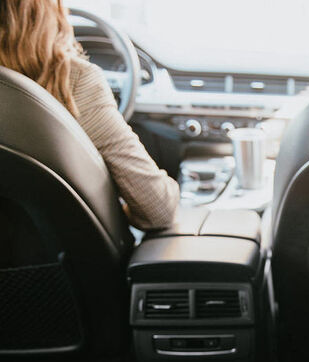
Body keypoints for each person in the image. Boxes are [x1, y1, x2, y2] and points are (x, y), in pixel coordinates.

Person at [0, 0, 179, 230]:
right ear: (49, 13)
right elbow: (158, 209)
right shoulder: (76, 81)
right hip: (64, 251)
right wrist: (120, 211)